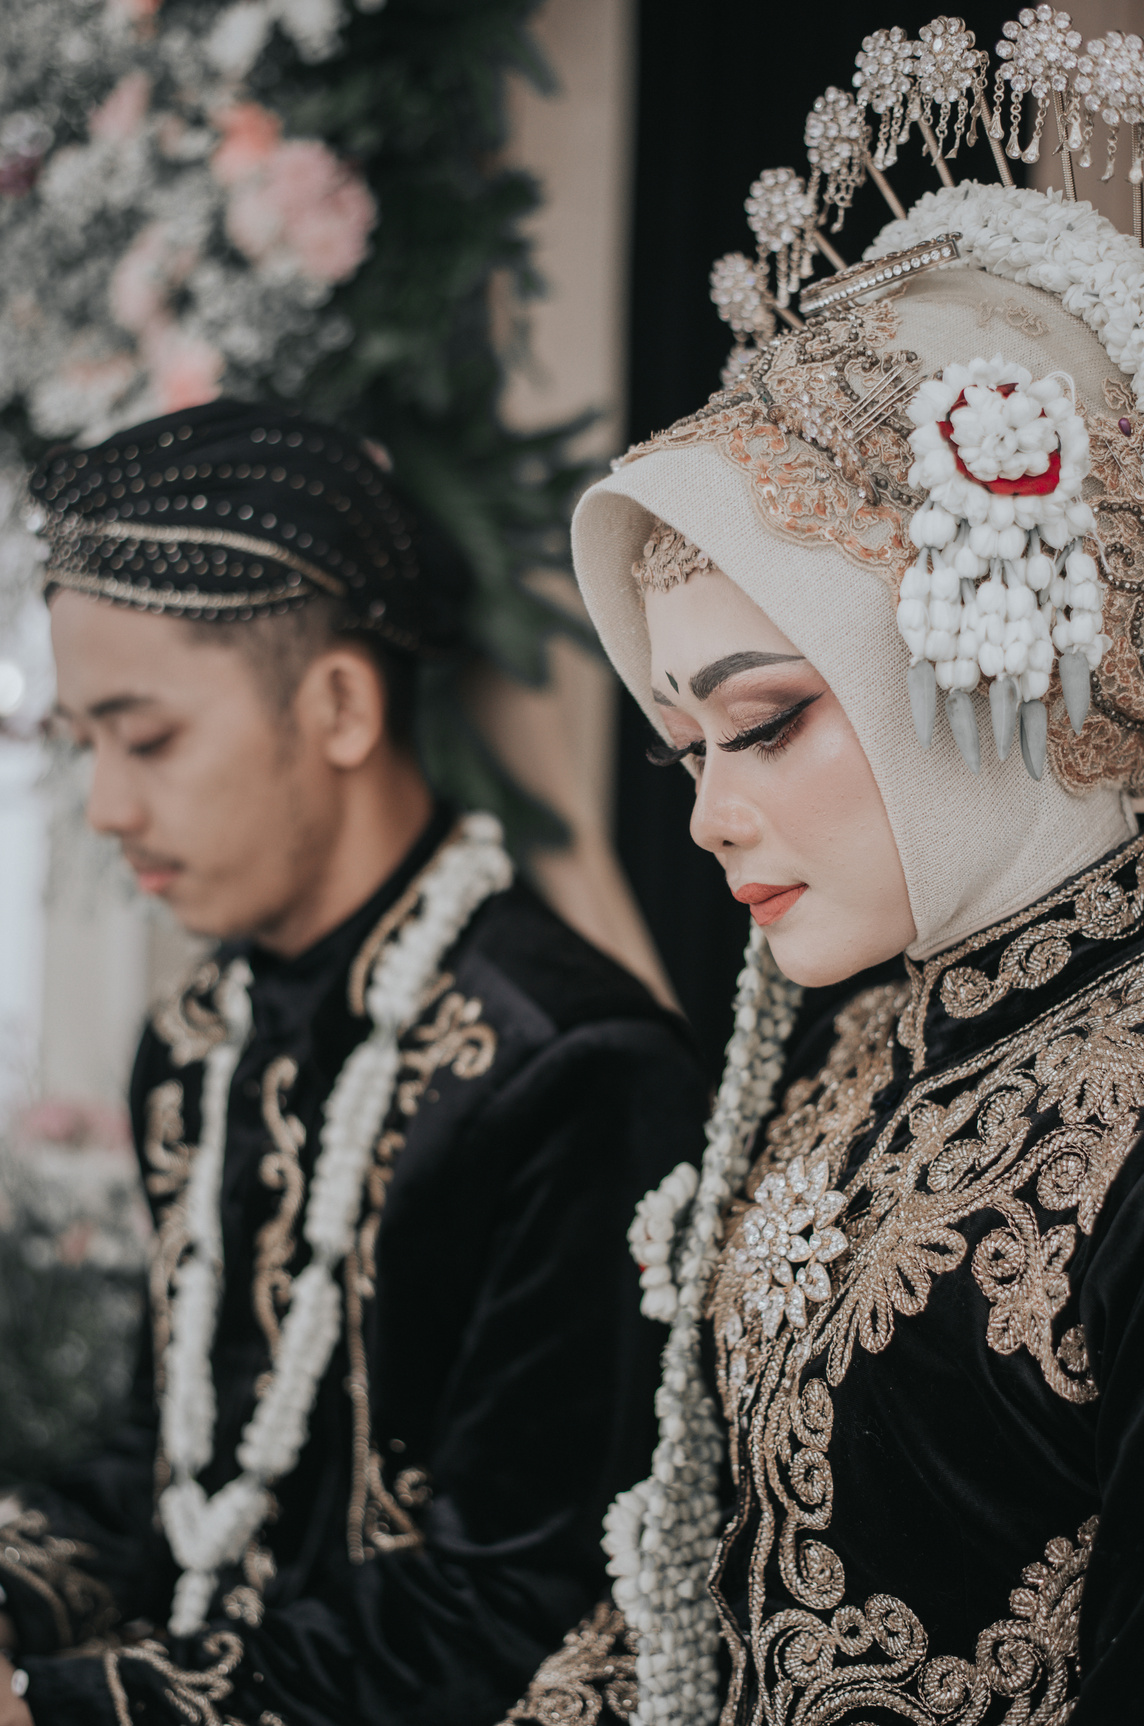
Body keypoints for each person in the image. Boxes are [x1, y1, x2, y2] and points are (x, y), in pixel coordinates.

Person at [501, 39, 1144, 1726]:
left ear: (984, 652)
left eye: (769, 722)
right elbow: (684, 1606)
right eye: (685, 749)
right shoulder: (863, 1046)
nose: (713, 816)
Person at [0, 398, 708, 1726]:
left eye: (144, 737)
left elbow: (511, 1608)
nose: (104, 805)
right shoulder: (198, 1043)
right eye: (82, 743)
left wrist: (58, 1706)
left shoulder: (572, 1069)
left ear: (335, 703)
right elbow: (170, 1469)